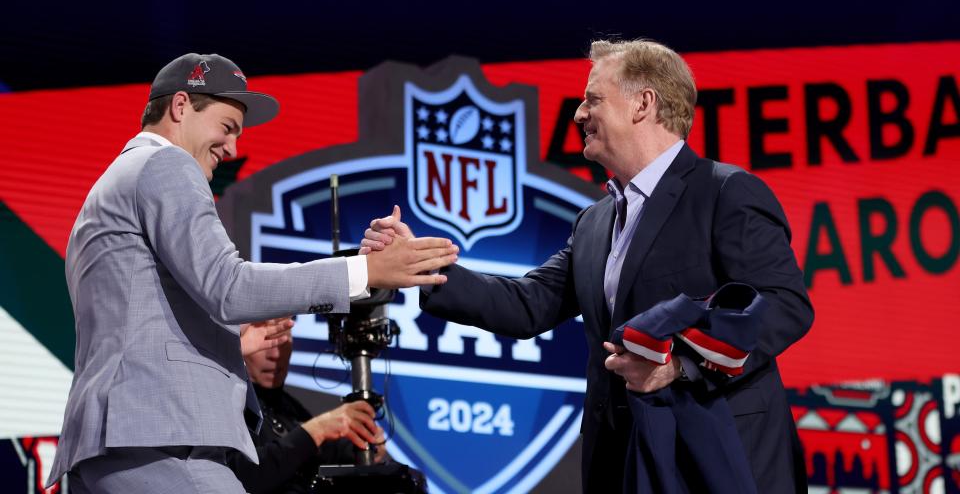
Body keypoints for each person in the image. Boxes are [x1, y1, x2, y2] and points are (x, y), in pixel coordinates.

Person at [362, 39, 815, 492]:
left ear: (643, 103)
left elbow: (784, 305)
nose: (579, 113)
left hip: (716, 459)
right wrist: (419, 264)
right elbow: (529, 304)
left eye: (593, 99)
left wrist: (679, 363)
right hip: (623, 463)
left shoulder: (724, 193)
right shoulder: (596, 221)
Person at [47, 53, 459, 493]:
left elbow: (136, 318)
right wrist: (363, 271)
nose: (232, 149)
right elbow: (229, 286)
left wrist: (230, 344)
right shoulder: (166, 165)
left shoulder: (114, 182)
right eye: (227, 128)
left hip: (116, 444)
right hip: (163, 439)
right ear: (181, 106)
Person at [227, 319, 386, 494]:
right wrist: (316, 430)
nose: (275, 354)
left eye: (283, 340)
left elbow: (323, 453)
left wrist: (362, 446)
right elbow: (240, 476)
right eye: (267, 340)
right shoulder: (226, 403)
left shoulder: (289, 407)